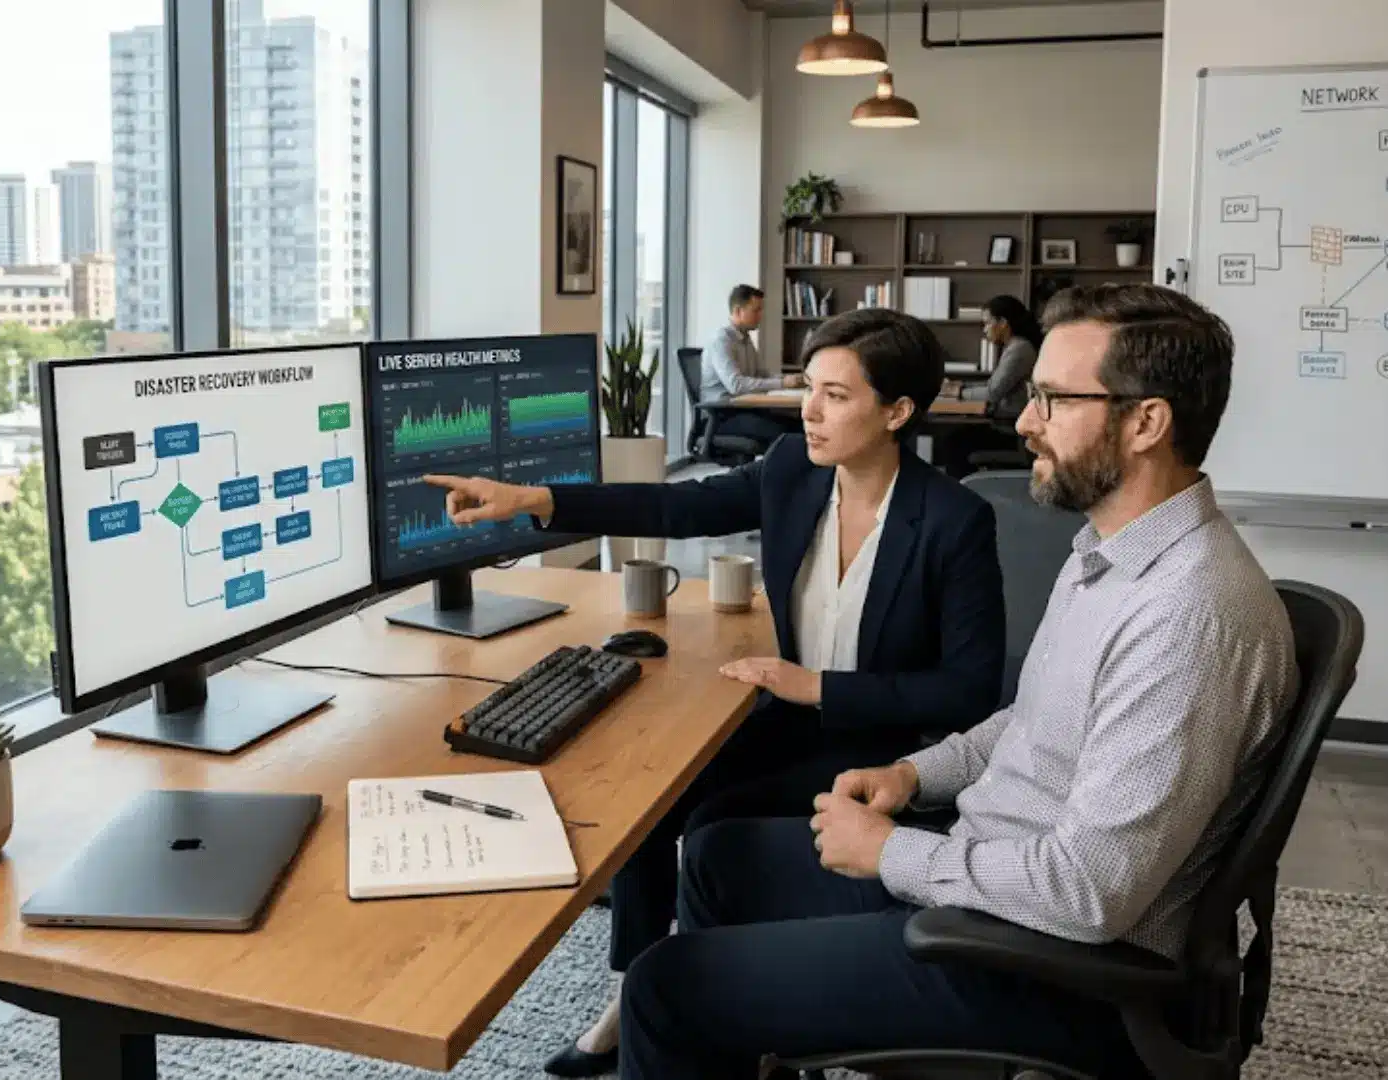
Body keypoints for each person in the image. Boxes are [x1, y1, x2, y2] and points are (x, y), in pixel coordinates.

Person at [616, 283, 1300, 1080]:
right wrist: (913, 775)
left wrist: (892, 853)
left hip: (1046, 964)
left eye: (1051, 399)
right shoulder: (1108, 558)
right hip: (991, 875)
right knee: (717, 858)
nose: (1023, 421)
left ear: (1146, 421)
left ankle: (721, 1023)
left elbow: (1089, 894)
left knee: (667, 989)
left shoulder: (1188, 616)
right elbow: (1026, 721)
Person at [424, 307, 1006, 1077]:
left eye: (836, 395)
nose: (809, 409)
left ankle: (707, 997)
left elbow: (968, 692)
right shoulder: (796, 471)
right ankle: (634, 985)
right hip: (794, 722)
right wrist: (536, 500)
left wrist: (816, 685)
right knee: (652, 792)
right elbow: (674, 507)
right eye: (809, 387)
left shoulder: (955, 520)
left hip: (885, 748)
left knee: (711, 820)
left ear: (897, 412)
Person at [699, 284, 804, 446]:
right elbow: (736, 385)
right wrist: (783, 383)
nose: (760, 315)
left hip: (745, 411)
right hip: (721, 417)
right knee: (783, 433)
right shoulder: (721, 341)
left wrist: (789, 379)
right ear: (738, 311)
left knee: (799, 425)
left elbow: (760, 375)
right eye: (756, 310)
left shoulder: (745, 339)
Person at [962, 294, 1043, 421]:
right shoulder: (1013, 346)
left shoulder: (1019, 349)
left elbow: (993, 393)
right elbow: (992, 385)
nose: (984, 330)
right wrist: (962, 385)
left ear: (1003, 323)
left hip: (1010, 422)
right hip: (1006, 418)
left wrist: (959, 393)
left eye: (987, 323)